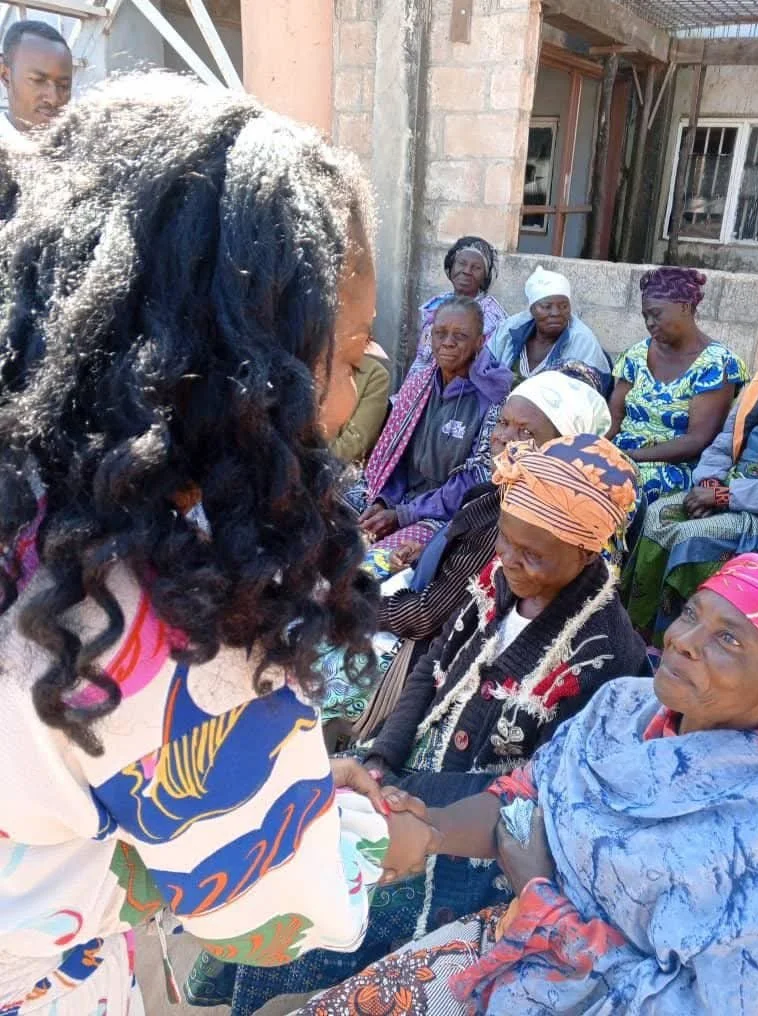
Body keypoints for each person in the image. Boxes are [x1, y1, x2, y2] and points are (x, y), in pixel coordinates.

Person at [0, 72, 440, 1015]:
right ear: (243, 365)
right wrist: (357, 830)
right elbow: (261, 919)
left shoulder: (32, 497)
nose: (366, 369)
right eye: (351, 343)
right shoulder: (172, 626)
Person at [227, 434, 648, 1016]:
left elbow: (546, 792)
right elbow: (430, 671)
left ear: (586, 551)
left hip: (487, 832)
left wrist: (411, 804)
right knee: (295, 859)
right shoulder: (496, 582)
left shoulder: (605, 652)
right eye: (507, 540)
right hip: (413, 776)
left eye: (536, 555)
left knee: (348, 891)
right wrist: (381, 758)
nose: (513, 563)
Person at [295, 552, 758, 1016]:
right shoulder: (622, 707)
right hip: (508, 939)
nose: (682, 641)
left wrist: (541, 899)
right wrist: (427, 828)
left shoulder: (749, 835)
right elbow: (525, 796)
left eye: (728, 639)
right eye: (689, 614)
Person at [342, 366, 613, 741]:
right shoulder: (495, 493)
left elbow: (425, 618)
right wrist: (431, 551)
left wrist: (352, 605)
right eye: (503, 423)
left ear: (561, 448)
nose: (504, 438)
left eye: (527, 432)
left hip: (419, 651)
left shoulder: (513, 523)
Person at [357, 295, 510, 563]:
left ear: (480, 342)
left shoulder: (493, 398)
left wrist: (405, 514)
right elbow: (396, 457)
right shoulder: (419, 385)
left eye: (460, 335)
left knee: (376, 564)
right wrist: (384, 502)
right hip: (402, 499)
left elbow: (475, 483)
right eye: (440, 333)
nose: (447, 342)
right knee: (331, 523)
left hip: (446, 515)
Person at [623, 369, 758, 646]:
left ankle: (671, 641)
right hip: (725, 485)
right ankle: (634, 626)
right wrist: (710, 482)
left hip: (754, 508)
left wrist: (724, 496)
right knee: (657, 515)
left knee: (694, 536)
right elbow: (723, 444)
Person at [608, 266, 748, 504]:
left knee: (614, 491)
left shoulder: (716, 365)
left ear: (684, 307)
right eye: (645, 317)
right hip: (619, 454)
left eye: (656, 314)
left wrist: (631, 457)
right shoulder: (637, 354)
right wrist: (596, 449)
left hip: (671, 465)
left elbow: (697, 440)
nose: (650, 323)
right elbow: (613, 417)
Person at [488, 265, 611, 391]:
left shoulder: (583, 341)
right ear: (532, 310)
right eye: (546, 306)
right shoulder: (510, 330)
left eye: (563, 306)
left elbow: (588, 396)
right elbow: (484, 371)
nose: (556, 313)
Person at [406, 235, 507, 379]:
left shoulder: (491, 314)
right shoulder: (438, 304)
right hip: (418, 386)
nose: (467, 271)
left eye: (476, 267)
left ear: (485, 276)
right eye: (461, 263)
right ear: (451, 266)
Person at [0, 20, 72, 145]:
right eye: (38, 81)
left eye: (63, 86)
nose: (54, 99)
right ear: (5, 75)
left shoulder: (82, 145)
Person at [329, 338, 390, 464]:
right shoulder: (309, 363)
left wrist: (315, 464)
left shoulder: (375, 374)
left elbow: (357, 441)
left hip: (339, 471)